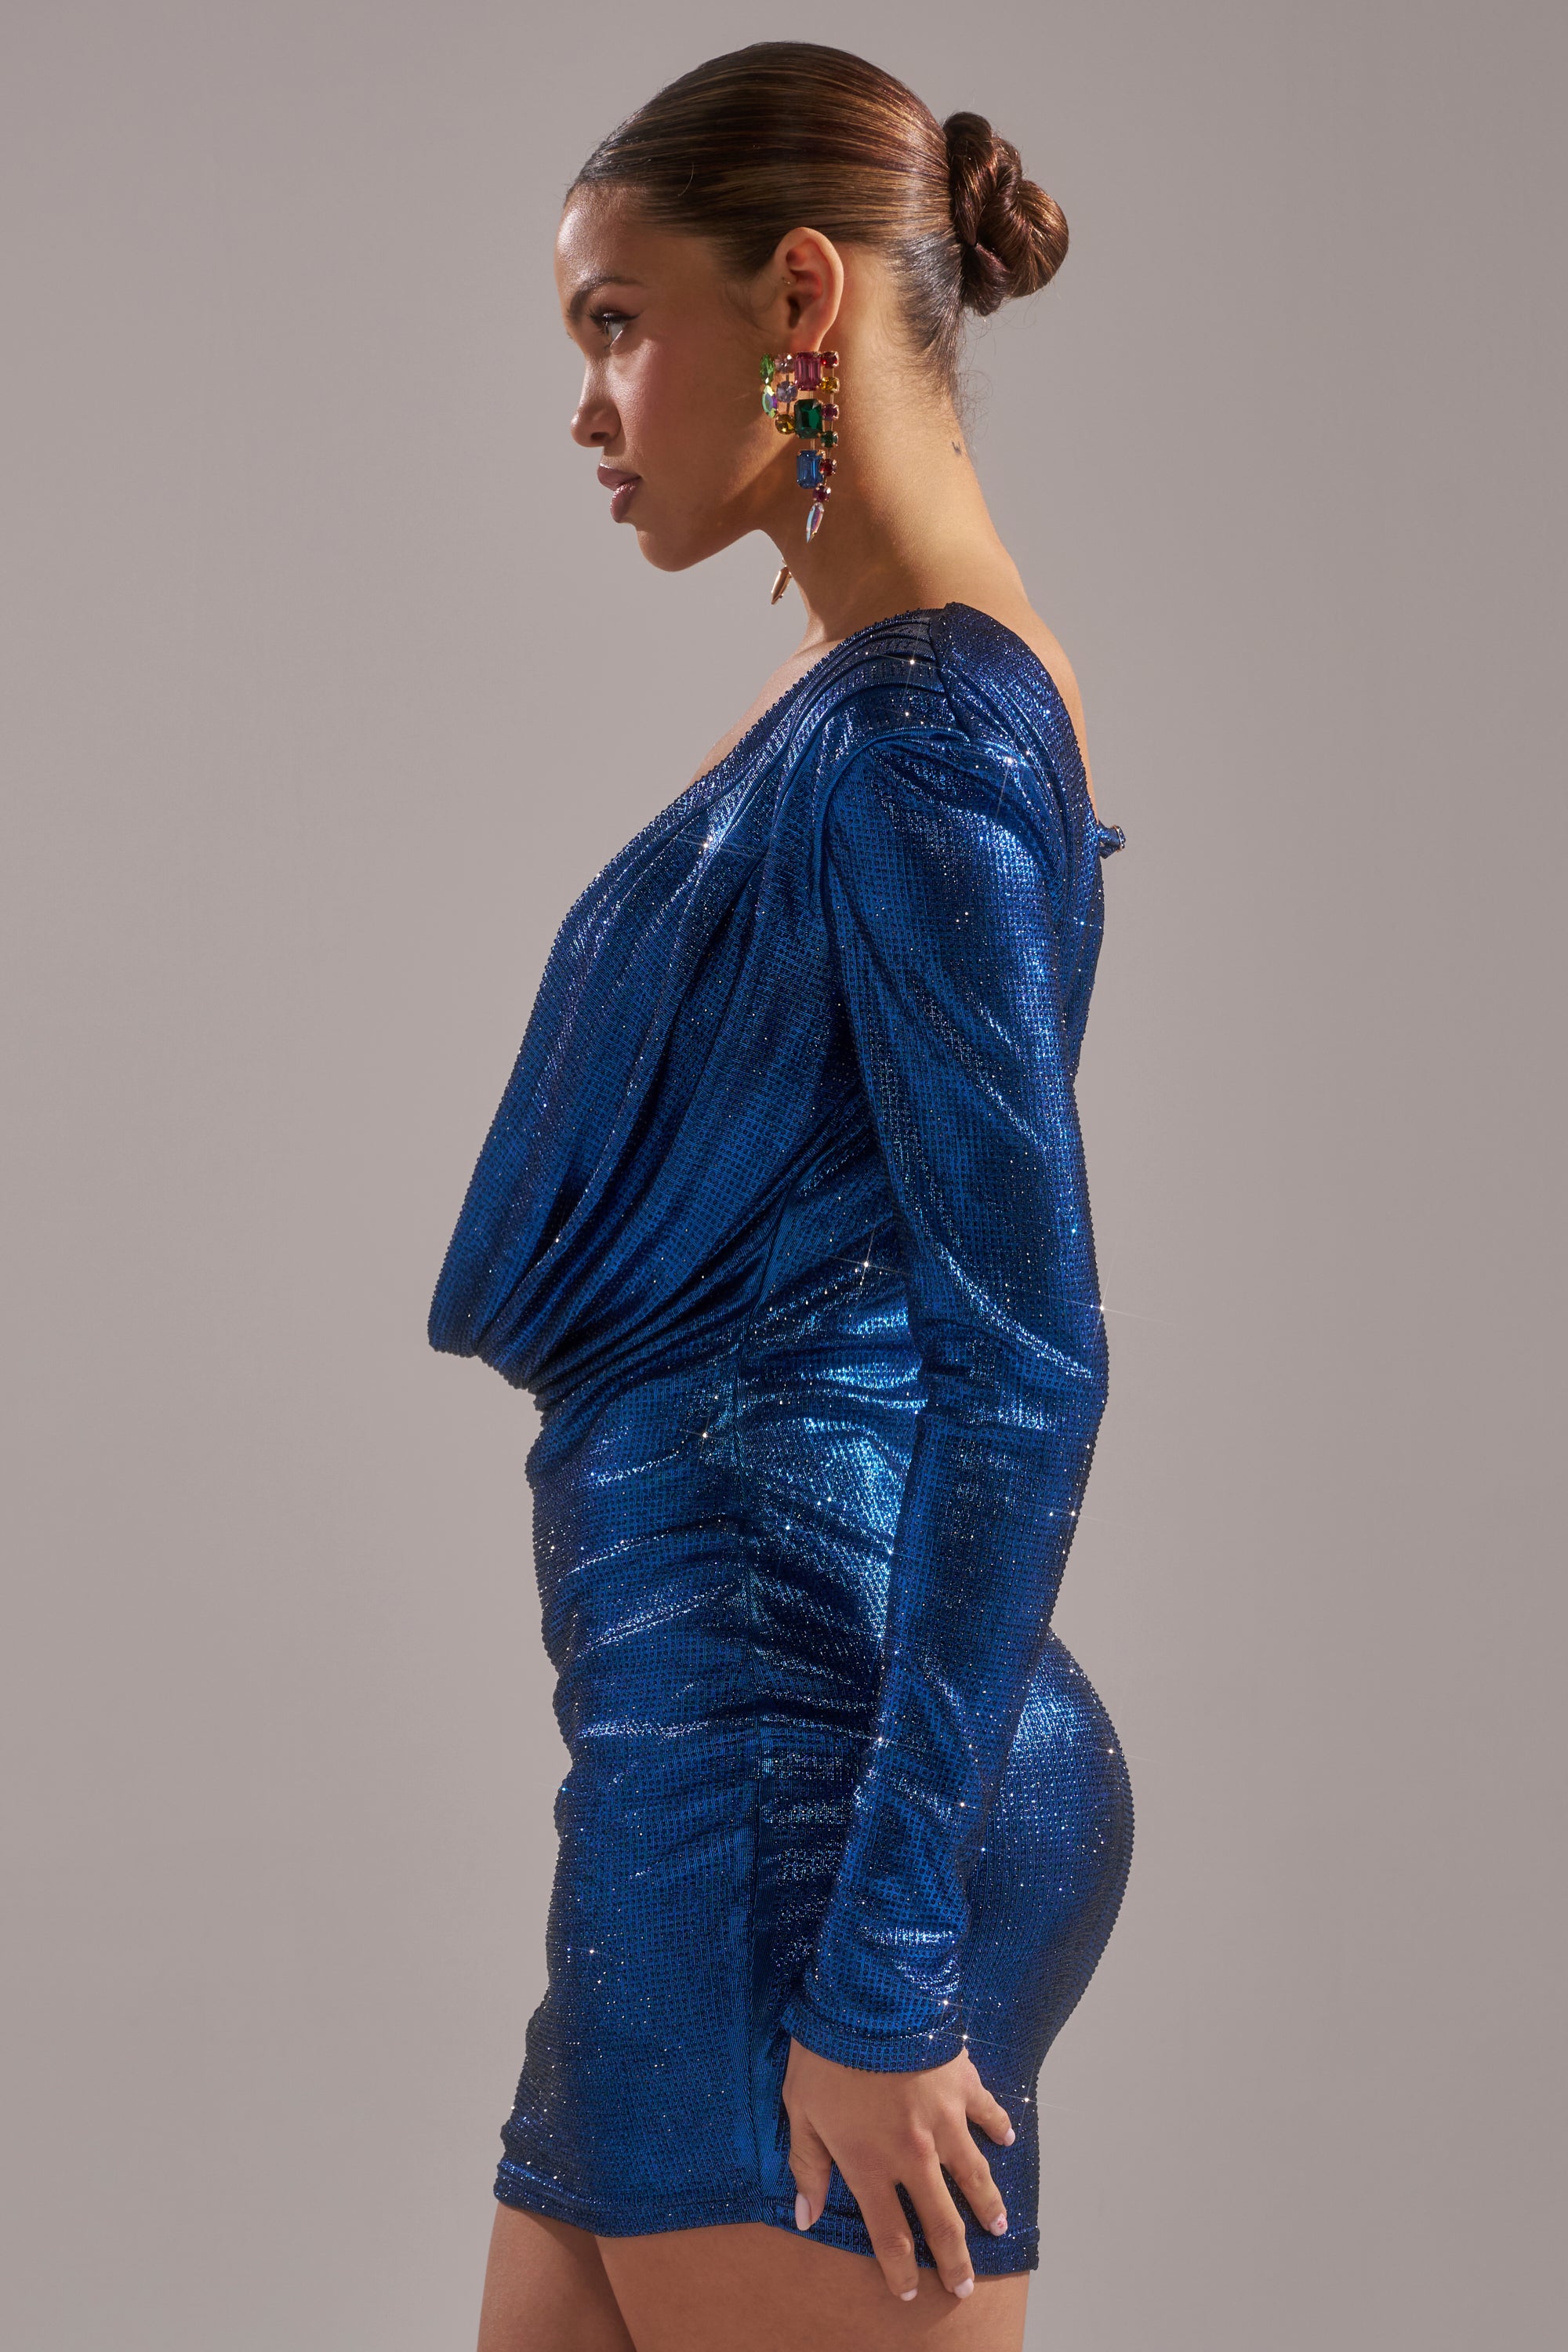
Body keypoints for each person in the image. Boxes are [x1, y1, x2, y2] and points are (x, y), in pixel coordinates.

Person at [429, 40, 1134, 2352]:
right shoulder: (855, 700)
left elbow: (1021, 1360)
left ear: (801, 298)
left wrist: (894, 1954)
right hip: (683, 1772)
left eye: (617, 321)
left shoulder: (926, 732)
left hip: (817, 1820)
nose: (589, 399)